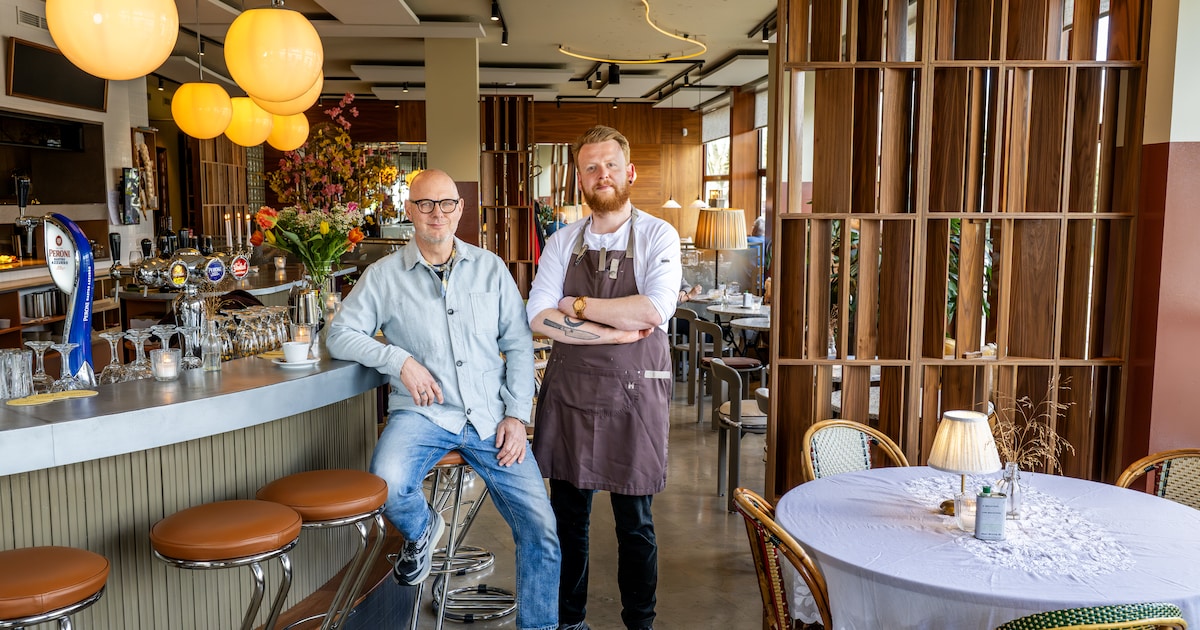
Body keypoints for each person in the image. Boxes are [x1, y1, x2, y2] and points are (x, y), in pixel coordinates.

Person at [326, 169, 561, 630]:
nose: (437, 213)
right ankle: (423, 529)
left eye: (446, 203)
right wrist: (399, 360)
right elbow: (339, 335)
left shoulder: (491, 269)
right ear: (410, 210)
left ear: (460, 209)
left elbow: (518, 345)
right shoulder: (383, 276)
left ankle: (541, 627)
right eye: (426, 204)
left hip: (492, 417)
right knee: (388, 484)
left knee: (542, 529)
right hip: (423, 415)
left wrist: (516, 414)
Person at [527, 125, 682, 630]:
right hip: (571, 396)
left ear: (629, 172)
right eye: (591, 167)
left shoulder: (659, 234)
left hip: (634, 397)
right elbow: (536, 317)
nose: (603, 175)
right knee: (568, 521)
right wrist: (611, 332)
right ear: (579, 179)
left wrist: (576, 307)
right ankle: (569, 621)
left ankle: (640, 623)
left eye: (611, 165)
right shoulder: (561, 241)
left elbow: (653, 308)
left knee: (634, 523)